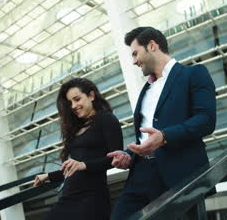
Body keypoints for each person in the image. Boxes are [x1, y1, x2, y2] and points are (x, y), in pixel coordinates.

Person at [108, 26, 216, 219]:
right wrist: (128, 155)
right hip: (140, 175)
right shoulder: (146, 90)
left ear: (152, 46)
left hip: (178, 174)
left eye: (135, 54)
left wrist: (165, 137)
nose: (133, 61)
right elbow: (145, 138)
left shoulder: (194, 74)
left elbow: (206, 120)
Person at [33, 78, 124, 220]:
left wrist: (83, 165)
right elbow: (76, 168)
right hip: (68, 197)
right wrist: (49, 176)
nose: (73, 106)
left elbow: (116, 159)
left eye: (77, 99)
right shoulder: (76, 128)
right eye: (70, 103)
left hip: (91, 200)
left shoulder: (107, 119)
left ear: (91, 96)